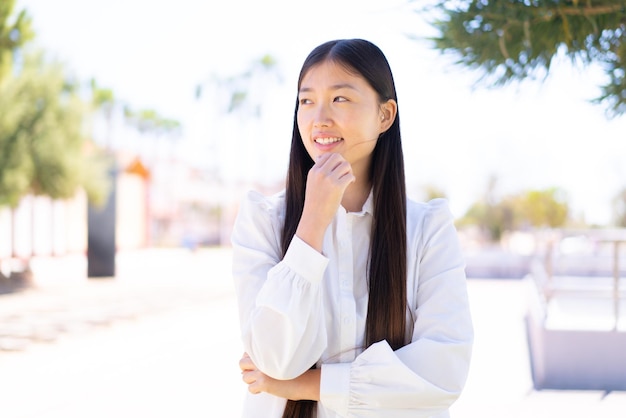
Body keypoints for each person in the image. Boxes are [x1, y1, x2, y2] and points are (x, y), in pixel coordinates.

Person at [231, 38, 473, 418]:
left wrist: (305, 385)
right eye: (307, 100)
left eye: (340, 99)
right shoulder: (263, 218)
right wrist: (311, 224)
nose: (319, 118)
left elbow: (444, 370)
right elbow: (273, 356)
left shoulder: (428, 228)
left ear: (385, 115)